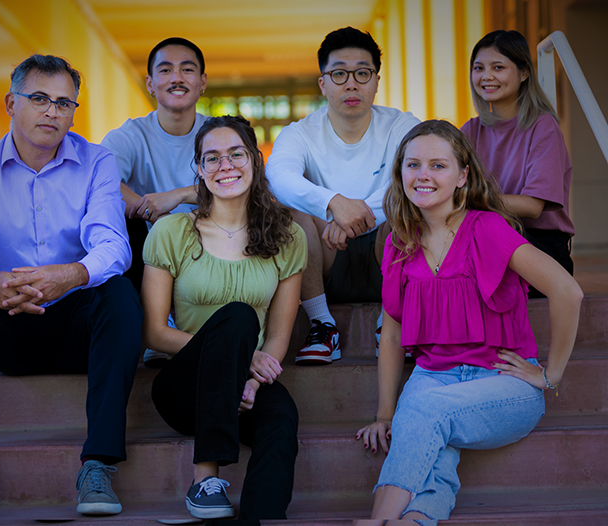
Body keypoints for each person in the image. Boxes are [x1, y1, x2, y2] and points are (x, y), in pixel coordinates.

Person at [0, 54, 143, 520]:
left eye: (64, 103)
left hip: (74, 323)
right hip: (6, 321)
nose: (52, 112)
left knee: (119, 294)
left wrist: (71, 275)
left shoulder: (97, 161)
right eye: (39, 98)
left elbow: (113, 247)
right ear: (10, 103)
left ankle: (98, 463)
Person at [355, 120, 583, 523]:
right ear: (400, 173)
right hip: (432, 377)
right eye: (413, 165)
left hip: (502, 382)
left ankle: (376, 521)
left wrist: (550, 375)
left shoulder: (489, 228)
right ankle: (412, 520)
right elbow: (391, 337)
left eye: (438, 165)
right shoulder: (398, 242)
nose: (423, 175)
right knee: (433, 453)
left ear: (462, 176)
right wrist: (385, 414)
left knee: (425, 412)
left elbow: (568, 292)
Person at [141, 115, 306, 521]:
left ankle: (260, 517)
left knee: (282, 419)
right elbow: (154, 331)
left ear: (255, 159)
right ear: (199, 169)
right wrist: (238, 357)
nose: (225, 165)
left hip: (244, 385)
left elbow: (277, 338)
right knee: (237, 317)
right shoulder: (171, 231)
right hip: (184, 387)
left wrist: (250, 377)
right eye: (211, 158)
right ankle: (205, 480)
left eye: (236, 154)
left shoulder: (288, 236)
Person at [266, 26, 419, 365]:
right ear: (323, 83)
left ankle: (390, 324)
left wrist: (352, 220)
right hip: (325, 258)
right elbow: (278, 178)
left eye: (362, 73)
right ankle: (322, 325)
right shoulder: (300, 133)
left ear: (376, 81)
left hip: (389, 252)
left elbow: (417, 180)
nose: (351, 83)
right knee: (290, 216)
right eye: (339, 74)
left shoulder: (402, 126)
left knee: (410, 206)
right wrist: (333, 204)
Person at [102, 36, 207, 366]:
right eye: (166, 70)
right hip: (150, 245)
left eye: (187, 69)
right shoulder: (130, 135)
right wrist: (149, 212)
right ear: (150, 83)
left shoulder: (218, 133)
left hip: (210, 236)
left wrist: (177, 197)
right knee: (120, 219)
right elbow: (100, 181)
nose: (177, 78)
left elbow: (249, 185)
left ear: (202, 82)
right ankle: (155, 328)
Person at [462, 30, 574, 298]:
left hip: (540, 249)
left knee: (485, 228)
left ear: (524, 73)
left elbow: (533, 206)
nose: (486, 76)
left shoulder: (542, 127)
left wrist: (468, 200)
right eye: (479, 68)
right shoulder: (470, 131)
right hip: (487, 238)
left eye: (498, 67)